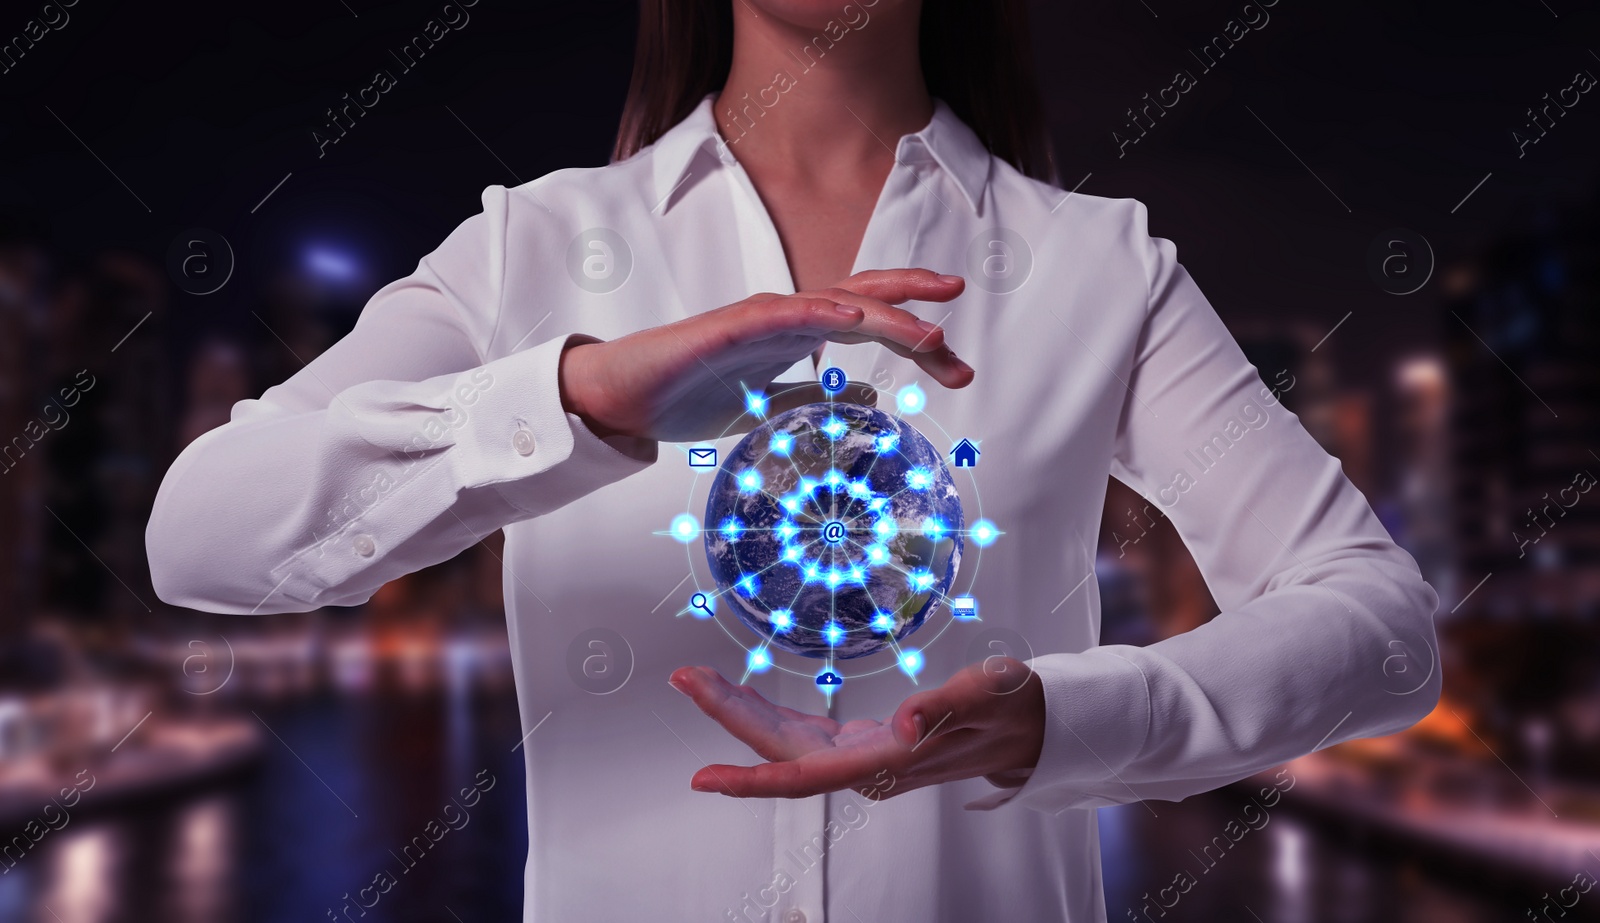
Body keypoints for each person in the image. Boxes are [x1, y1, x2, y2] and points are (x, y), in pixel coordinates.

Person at [146, 1, 1443, 920]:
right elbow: (199, 536)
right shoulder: (526, 251)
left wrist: (1063, 717)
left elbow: (1382, 628)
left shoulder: (1098, 269)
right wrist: (577, 393)